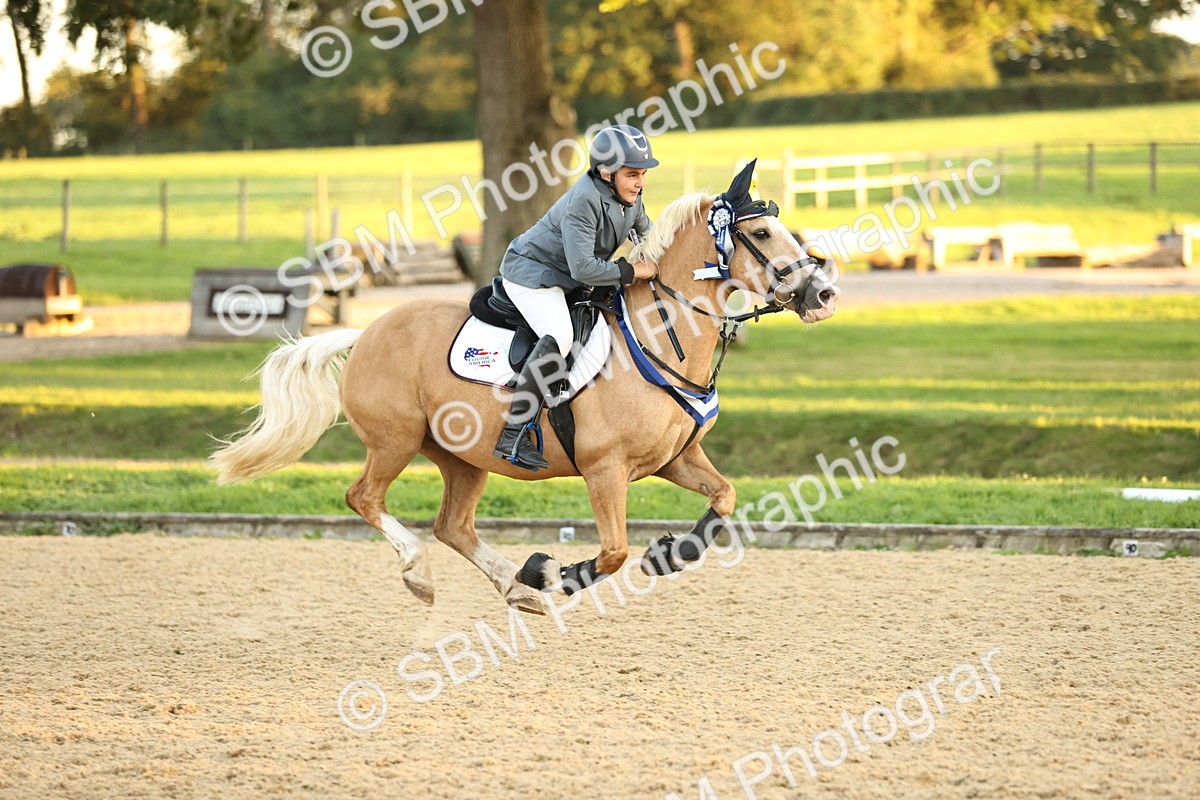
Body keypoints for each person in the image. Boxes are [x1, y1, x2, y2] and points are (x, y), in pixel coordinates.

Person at [492, 124, 659, 470]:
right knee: (561, 335)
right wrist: (632, 271)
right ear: (606, 173)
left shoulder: (630, 197)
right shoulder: (585, 200)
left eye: (642, 174)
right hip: (533, 275)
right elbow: (583, 268)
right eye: (632, 174)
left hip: (567, 278)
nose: (640, 182)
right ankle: (514, 433)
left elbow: (651, 238)